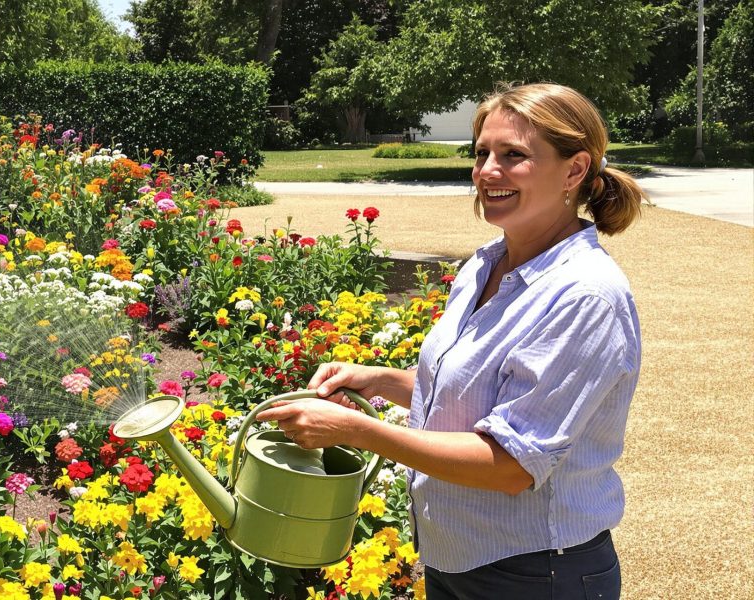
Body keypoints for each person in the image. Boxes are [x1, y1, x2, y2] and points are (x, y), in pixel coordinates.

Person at [256, 82, 646, 600]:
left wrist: (356, 430)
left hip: (535, 573)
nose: (487, 172)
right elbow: (476, 391)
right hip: (458, 555)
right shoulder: (486, 265)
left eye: (513, 155)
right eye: (481, 154)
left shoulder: (585, 296)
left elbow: (511, 465)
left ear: (574, 170)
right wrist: (378, 380)